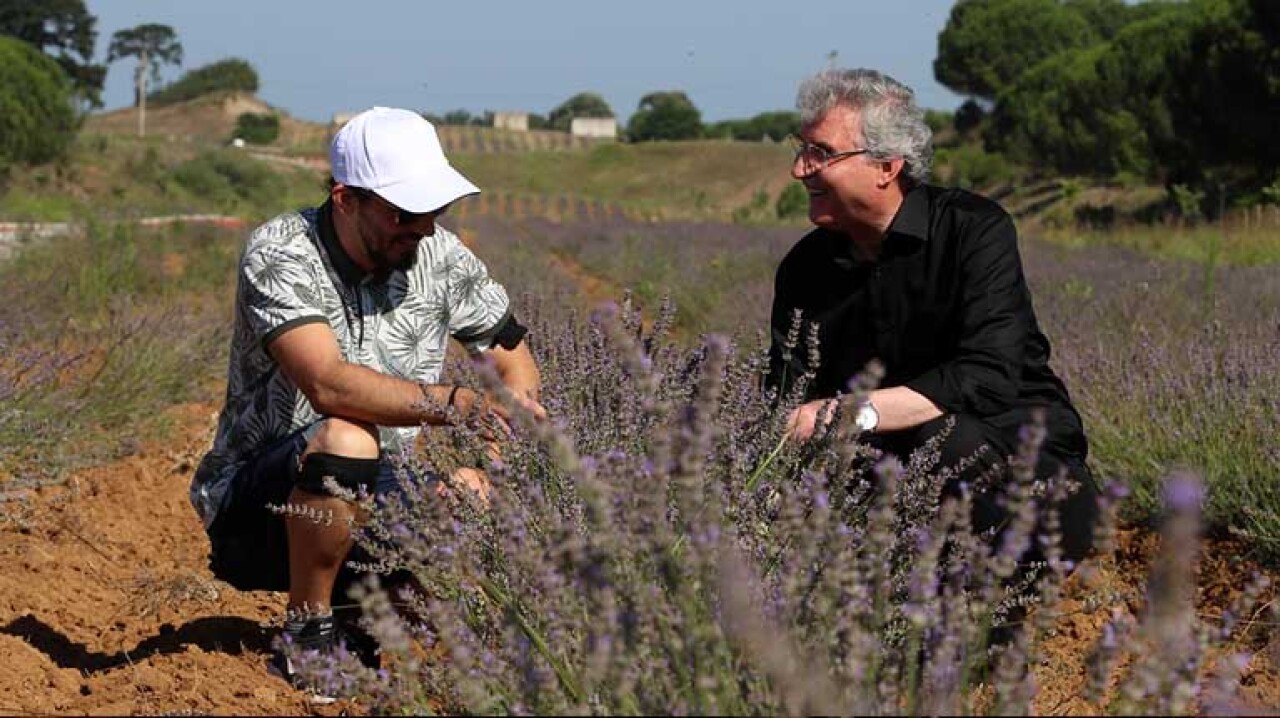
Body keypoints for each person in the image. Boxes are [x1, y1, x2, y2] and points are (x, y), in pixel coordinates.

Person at [190, 106, 546, 697]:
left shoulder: (442, 257)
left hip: (377, 498)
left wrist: (500, 439)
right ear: (345, 200)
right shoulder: (282, 252)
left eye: (435, 209)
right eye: (405, 212)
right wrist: (455, 403)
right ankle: (307, 635)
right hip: (263, 511)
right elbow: (327, 384)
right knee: (347, 437)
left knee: (466, 490)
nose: (423, 227)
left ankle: (374, 624)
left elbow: (511, 354)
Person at [766, 69, 1097, 566]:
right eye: (801, 149)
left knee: (941, 441)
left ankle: (981, 620)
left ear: (886, 166)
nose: (799, 170)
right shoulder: (805, 269)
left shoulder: (973, 231)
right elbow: (787, 397)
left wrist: (850, 413)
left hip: (1027, 483)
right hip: (892, 483)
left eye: (822, 153)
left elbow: (987, 376)